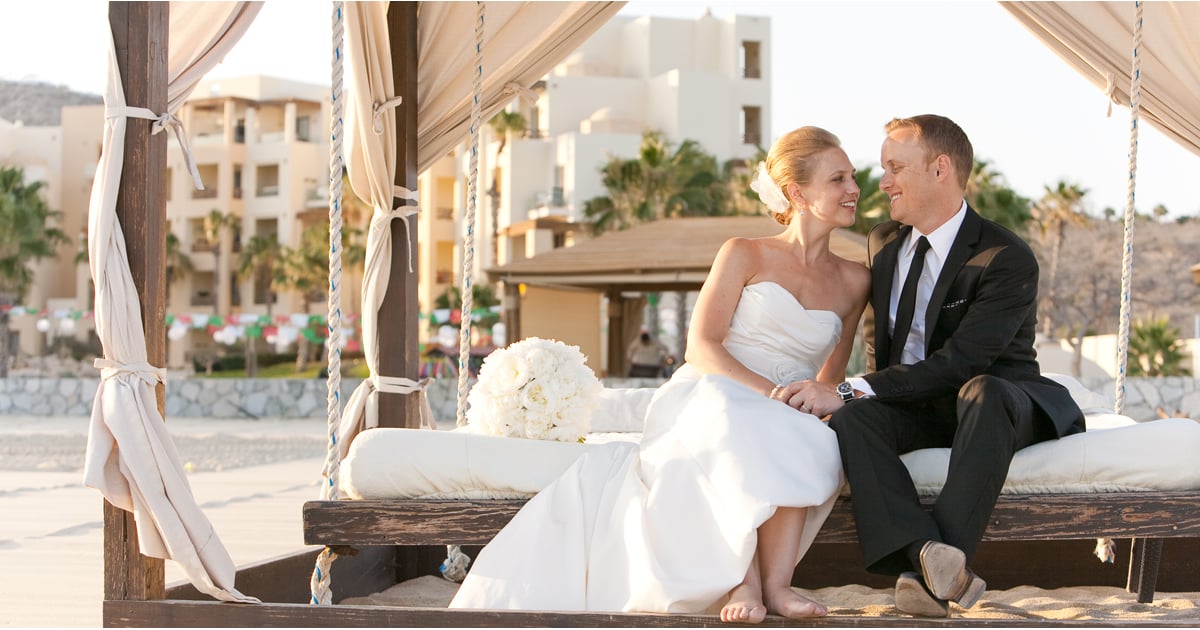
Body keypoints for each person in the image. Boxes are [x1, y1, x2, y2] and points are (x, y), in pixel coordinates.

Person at [449, 126, 869, 622]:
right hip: (715, 389)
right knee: (735, 419)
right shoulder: (745, 253)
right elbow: (701, 345)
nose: (853, 189)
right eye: (838, 178)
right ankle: (742, 581)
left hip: (786, 405)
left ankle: (779, 586)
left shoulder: (855, 280)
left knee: (804, 434)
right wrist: (769, 393)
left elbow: (829, 375)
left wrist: (814, 399)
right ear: (797, 192)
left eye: (853, 177)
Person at [783, 114, 1085, 617]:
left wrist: (851, 387)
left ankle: (924, 577)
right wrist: (857, 398)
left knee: (980, 390)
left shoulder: (1003, 256)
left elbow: (963, 363)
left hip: (998, 402)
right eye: (883, 168)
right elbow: (880, 345)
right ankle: (930, 555)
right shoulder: (883, 243)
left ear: (941, 169)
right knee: (854, 417)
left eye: (896, 167)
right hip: (921, 403)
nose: (882, 182)